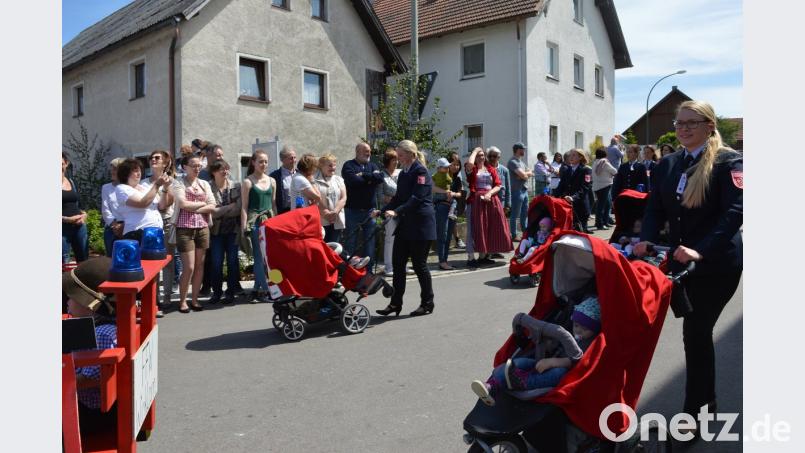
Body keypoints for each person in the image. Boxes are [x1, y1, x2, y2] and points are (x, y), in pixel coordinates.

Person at [634, 100, 742, 433]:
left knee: (695, 334)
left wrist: (700, 251)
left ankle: (698, 415)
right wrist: (645, 239)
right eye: (679, 123)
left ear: (710, 126)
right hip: (678, 265)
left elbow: (735, 213)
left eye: (691, 123)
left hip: (717, 265)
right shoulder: (667, 164)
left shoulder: (729, 162)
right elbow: (654, 210)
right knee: (686, 333)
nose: (683, 128)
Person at [471, 296, 601, 406]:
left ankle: (523, 382)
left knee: (558, 373)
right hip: (545, 361)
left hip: (566, 371)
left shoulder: (591, 342)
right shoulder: (572, 332)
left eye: (585, 328)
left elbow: (579, 361)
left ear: (594, 329)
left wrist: (552, 362)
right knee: (521, 361)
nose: (578, 330)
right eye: (576, 325)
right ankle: (491, 386)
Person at [373, 140, 437, 317]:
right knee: (398, 264)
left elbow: (417, 198)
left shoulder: (421, 171)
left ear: (411, 154)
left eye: (401, 155)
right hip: (406, 224)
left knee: (419, 265)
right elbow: (398, 198)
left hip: (421, 226)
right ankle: (395, 303)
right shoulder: (403, 174)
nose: (398, 158)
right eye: (398, 155)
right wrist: (382, 211)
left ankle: (427, 303)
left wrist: (397, 211)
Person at [63, 257, 119, 437]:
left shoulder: (102, 335)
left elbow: (87, 379)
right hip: (95, 410)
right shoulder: (105, 326)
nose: (67, 301)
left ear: (91, 306)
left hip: (92, 414)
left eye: (71, 297)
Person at [173, 155, 216, 313]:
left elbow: (213, 205)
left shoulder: (204, 183)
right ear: (185, 167)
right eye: (193, 165)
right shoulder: (178, 182)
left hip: (203, 227)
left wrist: (196, 207)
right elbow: (182, 203)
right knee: (189, 267)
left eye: (199, 165)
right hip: (185, 228)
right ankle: (183, 301)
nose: (197, 168)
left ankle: (195, 299)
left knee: (199, 265)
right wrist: (202, 204)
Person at [463, 147, 513, 267]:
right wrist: (475, 150)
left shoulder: (490, 169)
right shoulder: (472, 168)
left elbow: (498, 185)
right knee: (474, 228)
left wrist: (489, 193)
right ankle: (471, 257)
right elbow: (469, 163)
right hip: (475, 201)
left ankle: (483, 256)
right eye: (479, 155)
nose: (481, 157)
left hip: (490, 200)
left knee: (488, 228)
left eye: (482, 155)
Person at [142, 150, 176, 315]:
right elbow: (144, 204)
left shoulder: (172, 182)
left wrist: (164, 188)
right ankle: (153, 298)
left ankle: (167, 297)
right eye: (151, 158)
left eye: (157, 158)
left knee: (167, 262)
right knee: (151, 264)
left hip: (166, 223)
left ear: (165, 162)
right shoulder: (143, 183)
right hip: (149, 226)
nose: (153, 160)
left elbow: (164, 205)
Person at [241, 149, 277, 303]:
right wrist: (244, 227)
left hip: (269, 222)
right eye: (261, 161)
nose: (264, 164)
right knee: (258, 256)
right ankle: (264, 290)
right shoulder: (248, 182)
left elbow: (274, 205)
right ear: (254, 163)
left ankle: (258, 288)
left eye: (266, 161)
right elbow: (244, 206)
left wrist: (277, 223)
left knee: (270, 257)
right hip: (255, 222)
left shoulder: (272, 181)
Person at [342, 142, 384, 267]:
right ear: (357, 152)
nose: (369, 153)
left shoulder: (372, 165)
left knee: (369, 243)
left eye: (369, 151)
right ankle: (349, 272)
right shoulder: (348, 165)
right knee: (350, 242)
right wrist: (370, 180)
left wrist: (364, 175)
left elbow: (380, 178)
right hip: (352, 211)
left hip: (369, 211)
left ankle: (368, 272)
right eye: (366, 151)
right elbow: (353, 181)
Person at [208, 160, 242, 304]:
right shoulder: (208, 187)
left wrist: (221, 211)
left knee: (233, 262)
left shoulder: (236, 186)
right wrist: (228, 208)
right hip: (216, 232)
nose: (225, 172)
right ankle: (216, 292)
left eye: (227, 169)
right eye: (222, 169)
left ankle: (231, 291)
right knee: (216, 263)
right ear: (214, 172)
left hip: (233, 231)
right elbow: (212, 213)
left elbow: (238, 209)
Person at [114, 158, 168, 243]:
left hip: (156, 232)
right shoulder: (122, 188)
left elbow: (162, 206)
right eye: (135, 171)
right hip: (137, 233)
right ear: (126, 173)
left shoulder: (145, 187)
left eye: (139, 170)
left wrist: (165, 188)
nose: (139, 173)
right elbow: (142, 203)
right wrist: (157, 184)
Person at [376, 148, 402, 276]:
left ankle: (401, 265)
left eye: (397, 159)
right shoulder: (382, 175)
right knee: (390, 239)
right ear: (388, 161)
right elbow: (380, 196)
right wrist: (395, 199)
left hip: (402, 210)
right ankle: (388, 266)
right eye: (394, 160)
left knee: (402, 239)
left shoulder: (401, 173)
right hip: (389, 210)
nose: (396, 162)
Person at [555, 149, 593, 234]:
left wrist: (573, 197)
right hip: (568, 206)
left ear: (580, 157)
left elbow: (585, 187)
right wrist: (553, 196)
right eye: (570, 155)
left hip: (580, 207)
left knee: (580, 234)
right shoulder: (567, 170)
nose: (571, 157)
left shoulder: (586, 170)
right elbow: (561, 185)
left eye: (574, 155)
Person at [432, 157, 461, 271]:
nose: (452, 167)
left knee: (448, 236)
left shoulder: (456, 179)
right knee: (442, 235)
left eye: (455, 165)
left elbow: (460, 194)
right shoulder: (437, 175)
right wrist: (446, 192)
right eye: (451, 165)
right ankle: (442, 261)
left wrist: (452, 194)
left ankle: (444, 261)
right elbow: (433, 188)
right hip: (441, 206)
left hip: (452, 207)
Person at [62, 153, 89, 264]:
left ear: (66, 164)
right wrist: (67, 219)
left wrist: (84, 216)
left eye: (61, 164)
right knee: (64, 262)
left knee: (84, 262)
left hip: (79, 227)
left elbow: (81, 205)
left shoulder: (72, 182)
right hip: (62, 229)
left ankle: (82, 282)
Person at [314, 153, 347, 243]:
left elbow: (343, 198)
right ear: (322, 166)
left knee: (334, 248)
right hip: (321, 220)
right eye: (330, 165)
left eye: (334, 165)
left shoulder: (338, 179)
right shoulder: (314, 180)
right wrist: (326, 213)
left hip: (336, 219)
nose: (333, 167)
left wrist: (335, 212)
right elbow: (315, 199)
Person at [100, 157, 126, 257]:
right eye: (111, 169)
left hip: (128, 227)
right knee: (112, 261)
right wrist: (115, 225)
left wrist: (124, 226)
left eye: (115, 169)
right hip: (112, 229)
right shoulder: (106, 188)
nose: (112, 171)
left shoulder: (129, 187)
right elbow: (105, 210)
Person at [507, 142, 533, 241]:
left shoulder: (522, 162)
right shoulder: (512, 162)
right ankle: (513, 235)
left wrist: (524, 175)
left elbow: (529, 173)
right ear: (517, 150)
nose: (524, 151)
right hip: (516, 191)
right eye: (523, 149)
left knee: (525, 213)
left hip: (524, 190)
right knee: (515, 214)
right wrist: (524, 175)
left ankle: (525, 233)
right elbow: (525, 175)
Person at [591, 147, 618, 230]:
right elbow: (615, 171)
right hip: (605, 186)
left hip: (597, 186)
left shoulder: (595, 162)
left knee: (606, 204)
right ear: (604, 154)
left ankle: (605, 222)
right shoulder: (605, 162)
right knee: (602, 206)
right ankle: (600, 224)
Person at [446, 152, 467, 250]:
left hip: (453, 204)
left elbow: (460, 193)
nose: (456, 167)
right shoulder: (442, 175)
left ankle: (457, 239)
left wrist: (453, 194)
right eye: (454, 164)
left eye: (458, 165)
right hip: (442, 202)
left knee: (452, 220)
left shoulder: (458, 178)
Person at [269, 145, 297, 215]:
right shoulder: (274, 176)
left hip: (299, 211)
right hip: (284, 213)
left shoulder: (300, 174)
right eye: (291, 158)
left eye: (295, 157)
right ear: (282, 160)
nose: (294, 160)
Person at [486, 147, 511, 219]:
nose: (492, 158)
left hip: (501, 202)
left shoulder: (504, 170)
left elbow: (508, 188)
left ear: (499, 157)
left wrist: (508, 205)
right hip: (488, 200)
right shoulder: (484, 169)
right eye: (489, 156)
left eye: (494, 156)